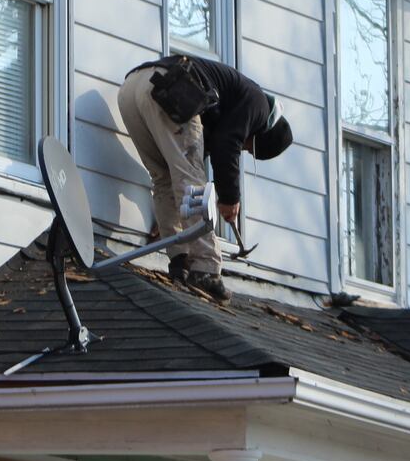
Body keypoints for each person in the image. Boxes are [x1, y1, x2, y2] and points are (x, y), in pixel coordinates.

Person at [117, 54, 293, 300]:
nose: (244, 149)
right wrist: (230, 198)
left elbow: (179, 175)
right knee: (193, 181)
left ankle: (180, 261)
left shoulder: (230, 105)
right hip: (173, 88)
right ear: (261, 134)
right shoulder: (258, 105)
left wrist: (169, 218)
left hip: (132, 89)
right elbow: (226, 144)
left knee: (164, 177)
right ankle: (206, 268)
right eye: (249, 147)